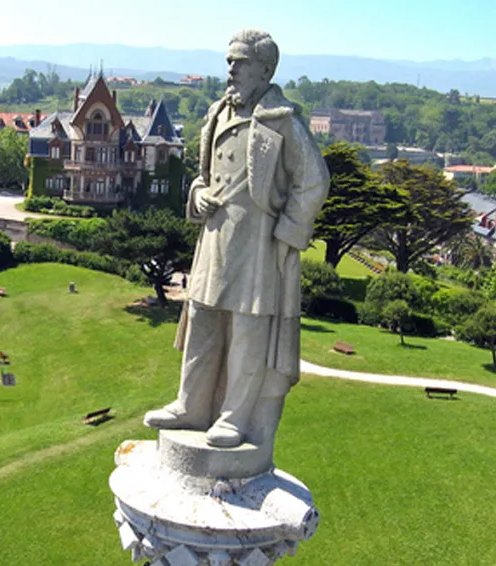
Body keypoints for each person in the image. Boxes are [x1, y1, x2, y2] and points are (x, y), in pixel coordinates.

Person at [143, 29, 330, 448]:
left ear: (265, 70)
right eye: (230, 61)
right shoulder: (216, 114)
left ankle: (234, 418)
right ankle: (191, 406)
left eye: (241, 61)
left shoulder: (283, 120)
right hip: (213, 238)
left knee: (248, 329)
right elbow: (203, 176)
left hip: (257, 242)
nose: (231, 69)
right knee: (202, 321)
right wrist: (197, 194)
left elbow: (314, 181)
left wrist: (286, 234)